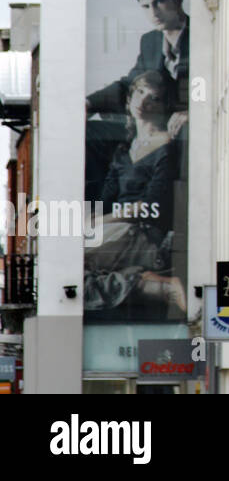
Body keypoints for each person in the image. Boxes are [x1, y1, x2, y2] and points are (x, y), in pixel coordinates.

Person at [83, 70, 186, 318]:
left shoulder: (166, 148)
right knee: (69, 271)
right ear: (129, 98)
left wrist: (96, 222)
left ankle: (148, 283)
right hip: (117, 228)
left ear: (163, 106)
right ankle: (142, 282)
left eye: (153, 98)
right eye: (140, 92)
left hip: (143, 233)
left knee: (66, 264)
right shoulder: (124, 150)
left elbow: (150, 206)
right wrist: (93, 220)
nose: (143, 101)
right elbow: (106, 199)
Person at [86, 0, 189, 140]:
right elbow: (130, 85)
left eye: (159, 1)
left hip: (186, 137)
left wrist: (194, 113)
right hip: (152, 131)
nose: (153, 12)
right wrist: (89, 103)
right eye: (146, 6)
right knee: (88, 133)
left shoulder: (202, 35)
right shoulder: (150, 42)